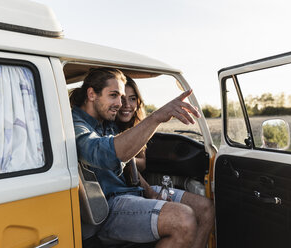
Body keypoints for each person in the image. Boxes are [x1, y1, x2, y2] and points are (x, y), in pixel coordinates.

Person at [70, 68, 214, 248]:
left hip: (132, 192)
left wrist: (149, 191)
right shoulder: (75, 126)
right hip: (108, 207)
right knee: (183, 219)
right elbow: (106, 155)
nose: (120, 103)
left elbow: (128, 163)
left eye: (121, 97)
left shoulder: (106, 122)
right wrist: (157, 117)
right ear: (91, 94)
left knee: (205, 209)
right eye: (113, 95)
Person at [115, 75, 146, 172]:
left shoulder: (136, 126)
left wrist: (128, 158)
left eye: (132, 99)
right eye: (122, 99)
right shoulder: (106, 127)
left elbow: (143, 163)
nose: (127, 105)